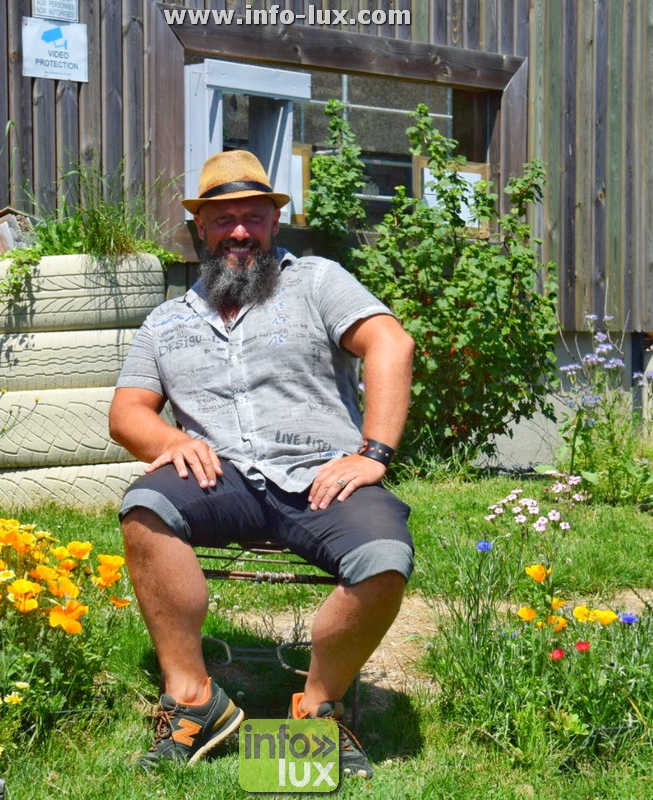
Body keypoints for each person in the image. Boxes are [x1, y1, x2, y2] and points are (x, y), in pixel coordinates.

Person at [109, 149, 415, 779]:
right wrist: (168, 442)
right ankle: (196, 703)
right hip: (220, 480)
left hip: (322, 477)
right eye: (225, 220)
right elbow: (127, 411)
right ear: (201, 228)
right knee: (145, 509)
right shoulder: (166, 322)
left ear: (275, 223)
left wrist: (373, 453)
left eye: (253, 217)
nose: (240, 232)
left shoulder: (318, 283)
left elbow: (391, 341)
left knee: (384, 558)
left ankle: (317, 710)